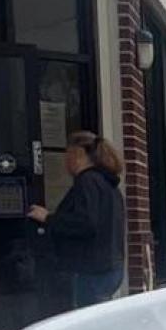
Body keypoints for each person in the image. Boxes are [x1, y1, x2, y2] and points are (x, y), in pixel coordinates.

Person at [27, 131, 126, 308]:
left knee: (84, 324)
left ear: (77, 154)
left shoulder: (87, 182)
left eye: (67, 155)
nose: (65, 162)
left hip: (91, 269)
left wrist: (48, 218)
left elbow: (85, 223)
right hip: (111, 267)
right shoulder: (109, 185)